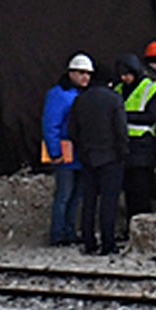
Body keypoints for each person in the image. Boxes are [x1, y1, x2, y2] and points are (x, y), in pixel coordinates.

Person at [68, 64, 129, 256]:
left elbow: (73, 131)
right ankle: (108, 243)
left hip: (88, 157)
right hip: (111, 157)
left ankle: (89, 242)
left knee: (89, 201)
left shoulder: (80, 100)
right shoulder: (114, 100)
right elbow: (121, 130)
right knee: (108, 202)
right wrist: (123, 152)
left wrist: (83, 149)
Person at [42, 53, 91, 246]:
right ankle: (58, 233)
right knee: (64, 194)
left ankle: (69, 231)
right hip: (65, 152)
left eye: (87, 73)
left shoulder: (81, 95)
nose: (85, 77)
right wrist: (55, 152)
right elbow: (51, 125)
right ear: (71, 73)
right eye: (81, 73)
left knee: (75, 195)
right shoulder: (58, 94)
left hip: (80, 153)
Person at [115, 53, 156, 221]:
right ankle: (131, 225)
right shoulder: (119, 89)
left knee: (141, 190)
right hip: (125, 145)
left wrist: (125, 115)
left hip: (144, 144)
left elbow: (153, 116)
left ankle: (143, 224)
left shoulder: (151, 89)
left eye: (127, 74)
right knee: (129, 189)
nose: (124, 78)